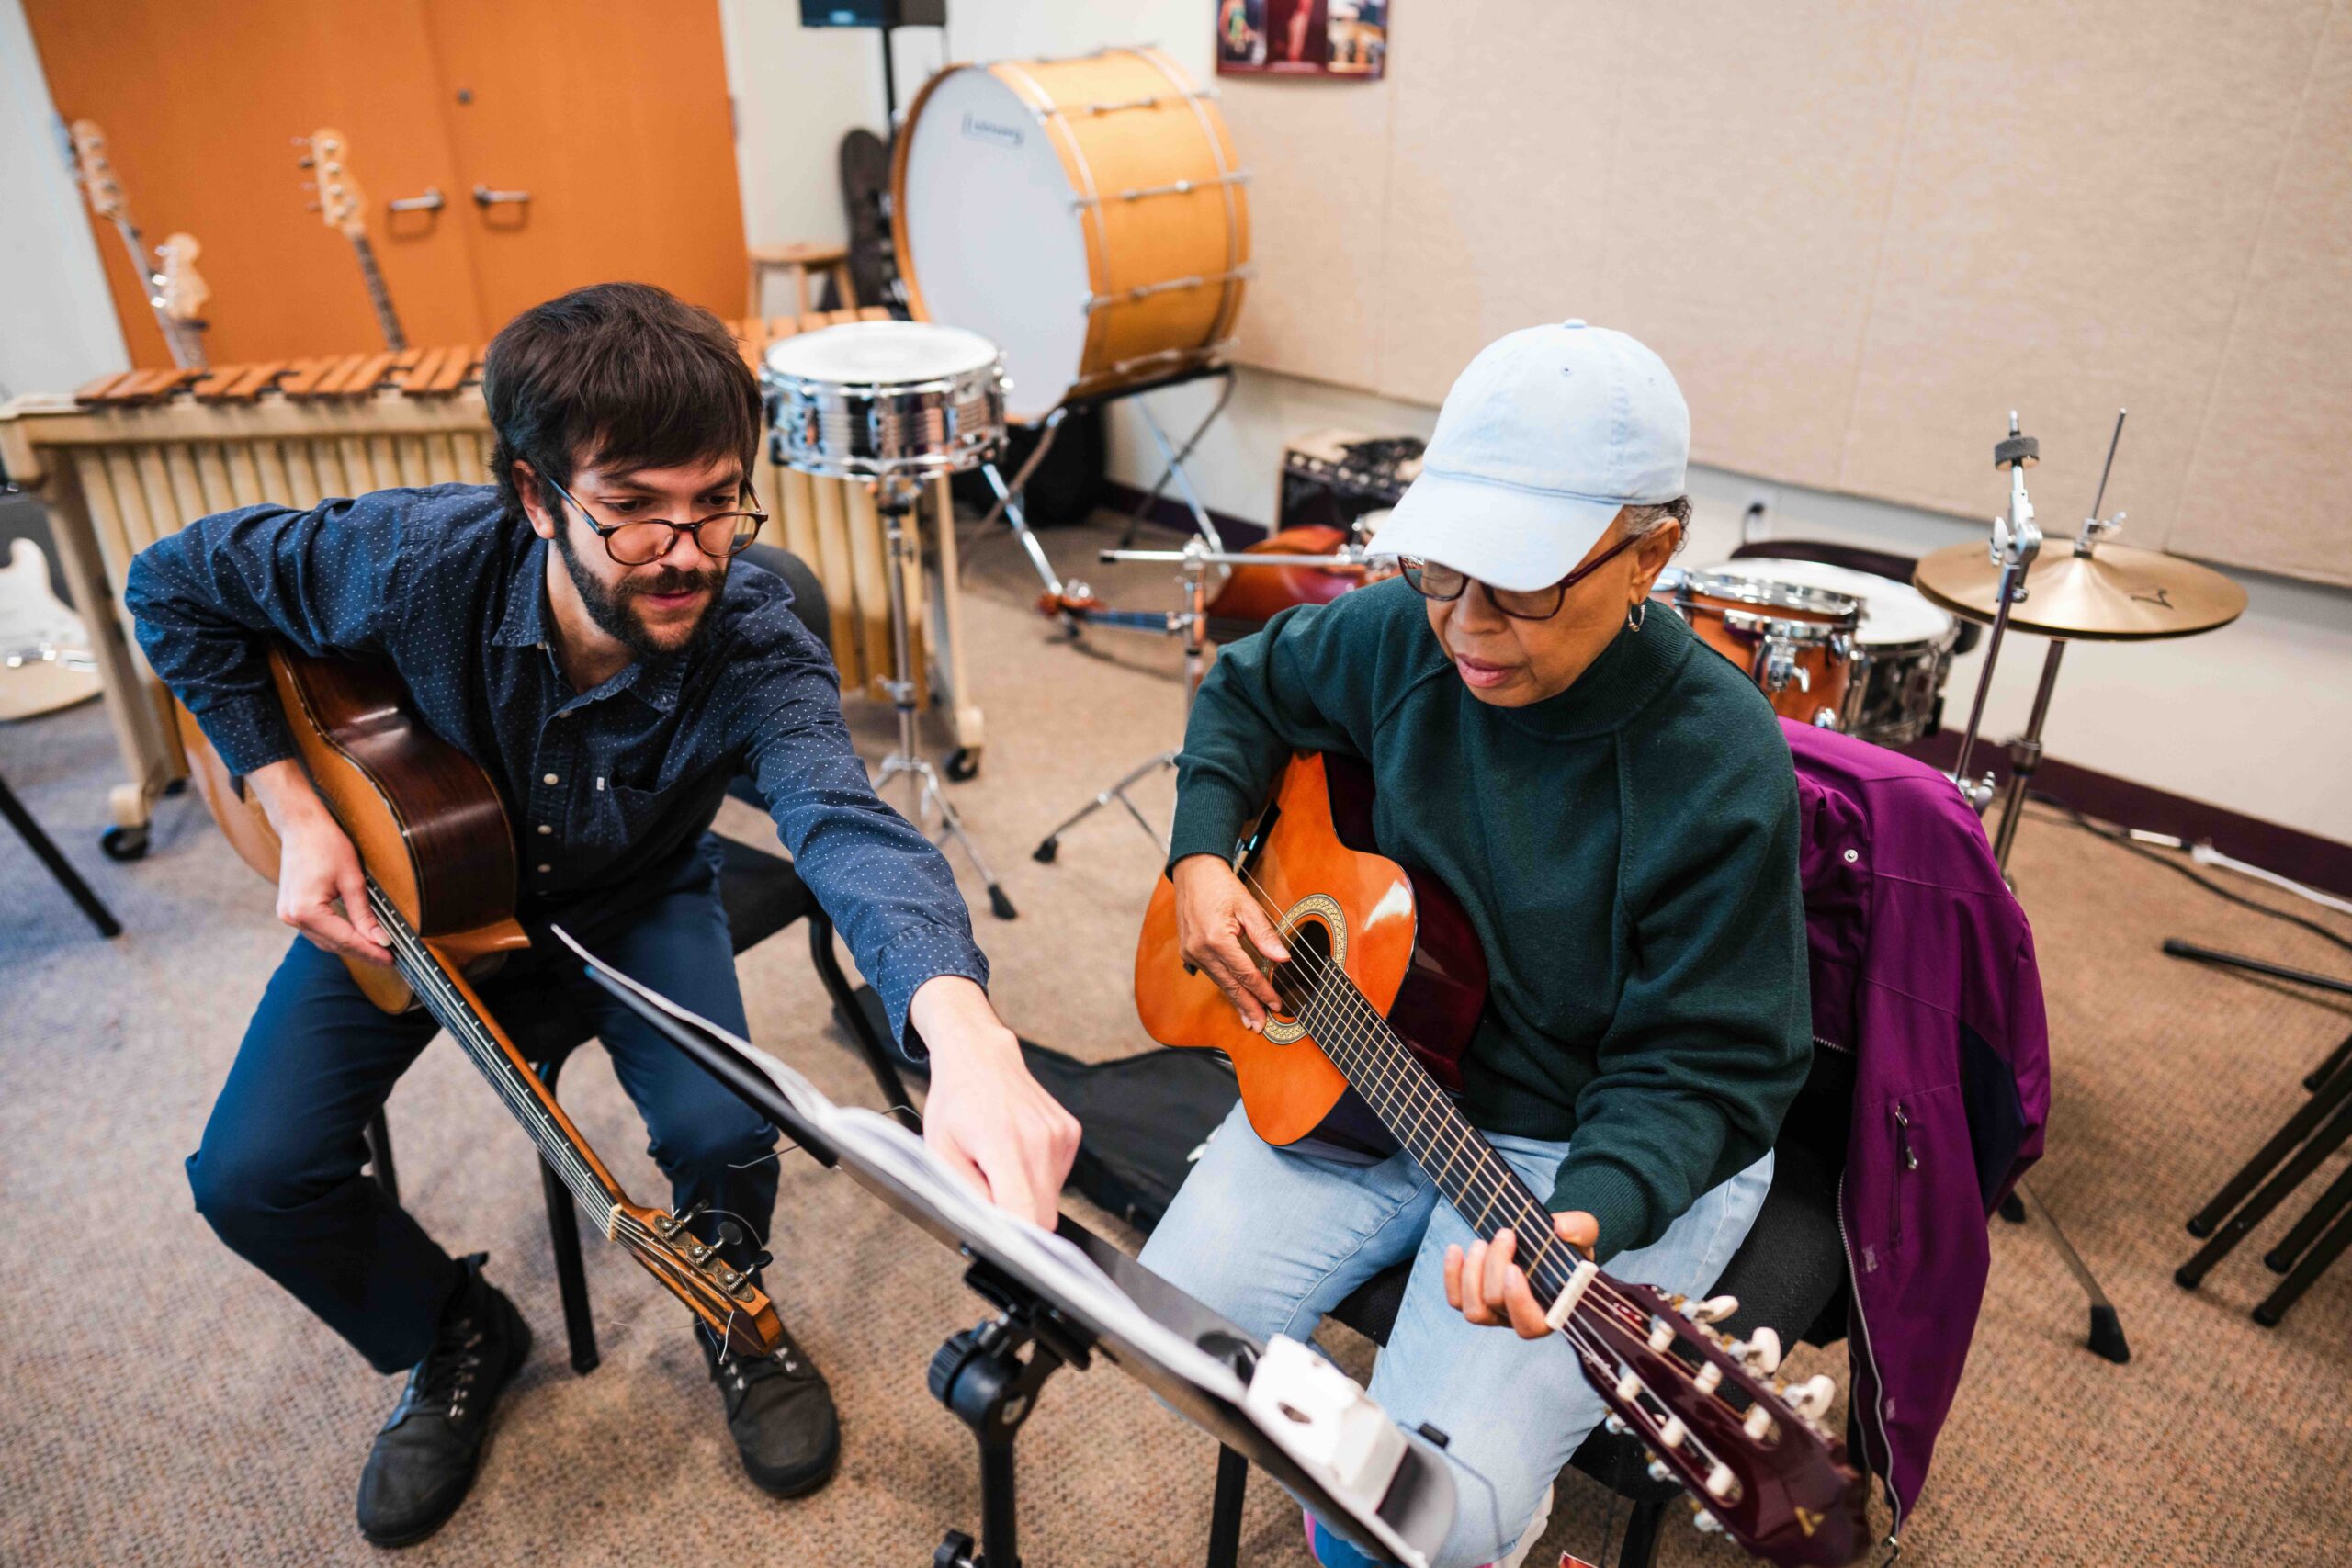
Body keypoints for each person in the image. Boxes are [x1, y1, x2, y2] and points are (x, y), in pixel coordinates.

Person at [125, 283, 1080, 1549]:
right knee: (249, 1177)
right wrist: (296, 806)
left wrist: (966, 1034)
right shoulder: (407, 563)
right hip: (414, 888)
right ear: (533, 496)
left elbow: (846, 824)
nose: (685, 550)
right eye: (630, 510)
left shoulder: (753, 637)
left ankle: (731, 1302)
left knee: (726, 1127)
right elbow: (171, 583)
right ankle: (450, 1331)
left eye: (715, 501)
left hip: (634, 901)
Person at [1138, 321, 1811, 1568]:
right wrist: (1197, 857)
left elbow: (1707, 1066)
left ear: (1650, 555)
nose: (1468, 626)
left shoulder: (1715, 761)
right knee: (1174, 1333)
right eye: (1445, 569)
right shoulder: (1408, 629)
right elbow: (1246, 688)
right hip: (1371, 1065)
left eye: (1524, 583)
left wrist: (1586, 1219)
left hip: (1582, 1143)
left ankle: (1497, 1491)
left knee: (1413, 1530)